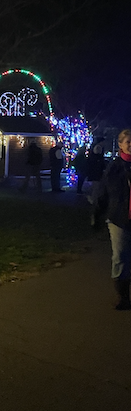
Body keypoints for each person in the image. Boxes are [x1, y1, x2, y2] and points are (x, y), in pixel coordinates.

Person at [92, 129, 131, 310]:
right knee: (120, 256)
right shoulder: (114, 167)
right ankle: (123, 296)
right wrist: (97, 214)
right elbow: (103, 192)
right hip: (119, 218)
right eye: (128, 141)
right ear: (121, 144)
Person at [87, 136, 106, 203]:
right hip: (96, 171)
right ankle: (93, 198)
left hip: (95, 170)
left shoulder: (94, 149)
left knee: (95, 185)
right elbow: (99, 160)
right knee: (96, 185)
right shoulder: (98, 149)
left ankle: (93, 197)